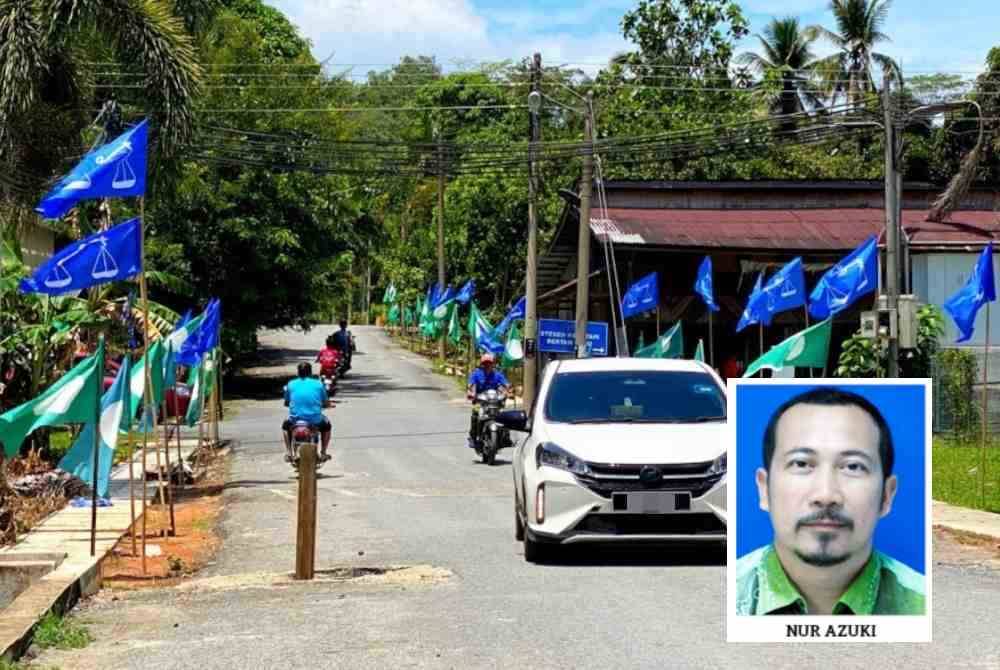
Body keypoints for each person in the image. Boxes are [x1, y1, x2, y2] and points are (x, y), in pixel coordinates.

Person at [735, 387, 925, 615]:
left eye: (853, 466)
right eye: (801, 464)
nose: (826, 496)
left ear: (886, 495)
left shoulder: (925, 605)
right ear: (764, 489)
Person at [282, 362, 332, 462]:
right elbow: (326, 402)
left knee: (285, 426)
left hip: (295, 419)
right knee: (327, 426)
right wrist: (326, 405)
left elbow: (286, 402)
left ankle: (288, 452)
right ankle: (323, 452)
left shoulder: (291, 384)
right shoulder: (318, 384)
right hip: (315, 419)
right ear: (310, 372)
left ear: (298, 372)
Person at [466, 353, 513, 448]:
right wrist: (471, 393)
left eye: (489, 363)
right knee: (476, 414)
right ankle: (473, 437)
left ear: (493, 364)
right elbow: (471, 385)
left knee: (505, 415)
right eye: (485, 363)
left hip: (495, 401)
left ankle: (506, 437)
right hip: (480, 401)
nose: (487, 365)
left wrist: (509, 391)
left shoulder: (497, 375)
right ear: (482, 364)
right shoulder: (476, 374)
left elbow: (505, 385)